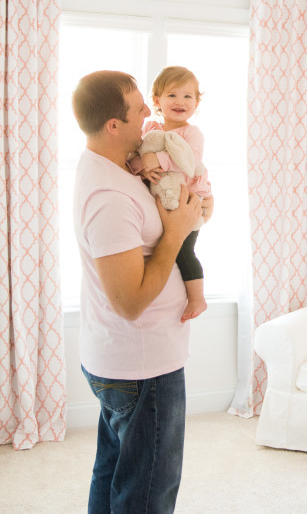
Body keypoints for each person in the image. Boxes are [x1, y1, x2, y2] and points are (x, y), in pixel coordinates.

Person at [72, 70, 204, 514]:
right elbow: (129, 302)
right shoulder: (109, 196)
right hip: (142, 366)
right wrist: (176, 234)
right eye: (138, 107)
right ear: (114, 124)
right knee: (148, 491)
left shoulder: (112, 167)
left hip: (127, 359)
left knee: (113, 474)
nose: (150, 112)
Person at [130, 66, 213, 322]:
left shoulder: (191, 133)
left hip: (190, 202)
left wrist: (156, 160)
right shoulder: (150, 128)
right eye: (172, 95)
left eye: (188, 96)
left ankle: (198, 299)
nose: (180, 102)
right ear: (156, 100)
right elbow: (135, 158)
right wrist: (144, 169)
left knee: (184, 251)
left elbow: (190, 160)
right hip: (165, 198)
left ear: (197, 102)